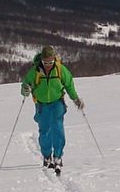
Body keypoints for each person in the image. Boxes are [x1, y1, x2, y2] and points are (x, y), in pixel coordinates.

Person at [21, 45, 83, 173]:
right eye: (45, 62)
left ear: (54, 59)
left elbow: (69, 85)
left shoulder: (61, 70)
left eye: (50, 62)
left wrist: (76, 99)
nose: (48, 64)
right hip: (41, 104)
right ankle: (47, 156)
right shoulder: (35, 71)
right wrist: (25, 89)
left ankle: (58, 156)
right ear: (41, 60)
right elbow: (25, 85)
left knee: (58, 130)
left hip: (57, 103)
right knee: (45, 131)